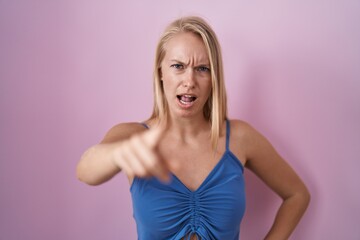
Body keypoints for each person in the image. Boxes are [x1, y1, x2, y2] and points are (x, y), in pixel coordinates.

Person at [76, 16, 310, 240]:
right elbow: (86, 171)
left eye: (202, 69)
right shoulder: (131, 136)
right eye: (178, 66)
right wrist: (119, 153)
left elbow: (297, 195)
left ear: (214, 78)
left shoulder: (240, 138)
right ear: (160, 72)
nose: (190, 81)